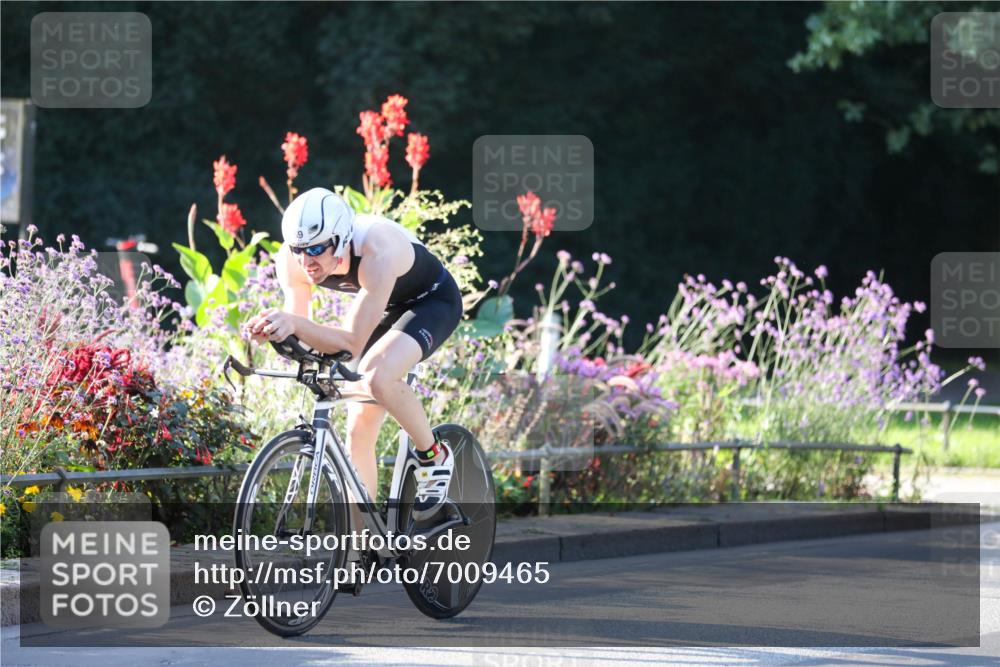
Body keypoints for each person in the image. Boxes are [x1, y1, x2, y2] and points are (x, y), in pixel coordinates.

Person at [244, 187, 463, 521]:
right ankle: (358, 552)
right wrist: (274, 332)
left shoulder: (377, 248)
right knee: (358, 427)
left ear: (342, 239)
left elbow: (350, 343)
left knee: (377, 377)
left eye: (316, 249)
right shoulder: (292, 259)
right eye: (299, 249)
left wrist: (293, 324)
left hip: (431, 302)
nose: (306, 262)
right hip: (384, 304)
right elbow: (301, 331)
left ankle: (434, 455)